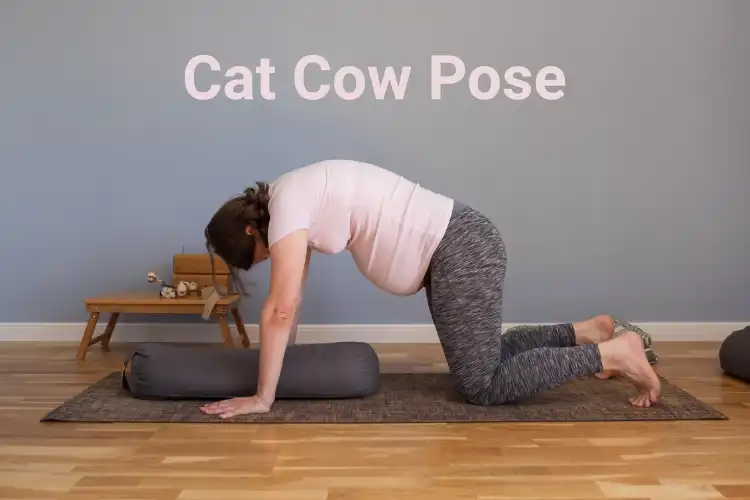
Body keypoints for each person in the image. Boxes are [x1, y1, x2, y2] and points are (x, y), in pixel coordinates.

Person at [199, 159, 661, 419]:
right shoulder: (291, 198)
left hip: (457, 247)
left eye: (256, 257)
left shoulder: (288, 206)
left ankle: (613, 354)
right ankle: (589, 331)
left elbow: (280, 308)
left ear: (247, 231)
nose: (265, 261)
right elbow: (290, 302)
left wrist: (262, 399)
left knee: (483, 385)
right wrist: (285, 368)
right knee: (489, 358)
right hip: (454, 248)